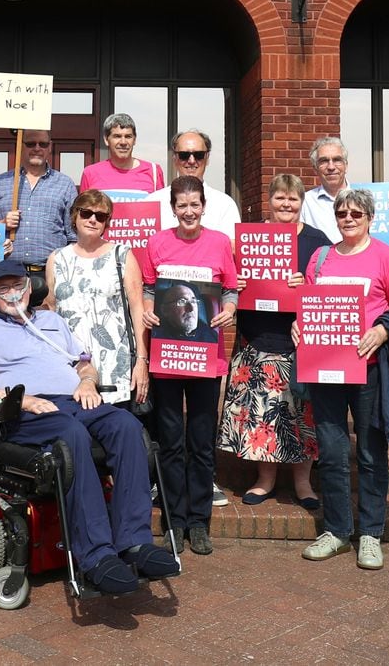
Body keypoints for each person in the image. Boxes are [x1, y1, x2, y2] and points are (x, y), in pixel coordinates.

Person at [0, 259, 180, 595]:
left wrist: (89, 382)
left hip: (74, 402)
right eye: (1, 288)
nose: (11, 293)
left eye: (16, 285)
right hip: (22, 412)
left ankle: (135, 543)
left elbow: (84, 364)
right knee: (70, 433)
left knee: (126, 425)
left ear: (29, 287)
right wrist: (25, 401)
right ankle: (95, 556)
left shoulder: (51, 321)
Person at [297, 187, 389, 571]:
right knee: (331, 453)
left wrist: (382, 331)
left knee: (369, 452)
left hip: (369, 369)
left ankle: (370, 534)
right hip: (326, 370)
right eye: (342, 213)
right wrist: (299, 326)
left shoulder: (387, 257)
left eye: (356, 214)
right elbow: (309, 305)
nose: (348, 219)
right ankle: (335, 530)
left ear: (369, 218)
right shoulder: (320, 257)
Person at [217, 174, 330, 509]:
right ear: (270, 200)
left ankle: (303, 484)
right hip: (257, 336)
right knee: (262, 415)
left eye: (293, 198)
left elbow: (328, 289)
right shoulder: (250, 239)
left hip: (299, 340)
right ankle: (264, 480)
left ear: (301, 202)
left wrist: (305, 286)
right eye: (280, 197)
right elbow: (227, 279)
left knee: (302, 414)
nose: (286, 204)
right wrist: (236, 282)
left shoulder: (317, 241)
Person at [139, 175, 238, 555]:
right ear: (173, 207)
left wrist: (228, 309)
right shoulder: (158, 242)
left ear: (203, 206)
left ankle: (199, 521)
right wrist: (148, 311)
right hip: (167, 357)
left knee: (200, 441)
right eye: (182, 205)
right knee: (170, 443)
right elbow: (149, 288)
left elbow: (228, 288)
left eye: (194, 204)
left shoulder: (218, 243)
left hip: (206, 357)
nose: (189, 211)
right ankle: (173, 520)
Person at [45, 190, 148, 408]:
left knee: (117, 431)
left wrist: (141, 360)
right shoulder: (57, 259)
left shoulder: (122, 256)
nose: (93, 219)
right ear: (75, 216)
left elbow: (137, 311)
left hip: (115, 366)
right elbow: (50, 311)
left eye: (101, 216)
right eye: (86, 213)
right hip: (71, 364)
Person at [0, 129, 77, 274]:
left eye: (43, 144)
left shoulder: (65, 184)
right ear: (20, 145)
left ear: (50, 147)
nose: (37, 148)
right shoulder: (0, 183)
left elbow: (74, 236)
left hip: (51, 273)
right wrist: (2, 224)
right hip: (8, 274)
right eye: (31, 143)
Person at [300, 136, 389, 243]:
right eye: (324, 161)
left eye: (337, 160)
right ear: (315, 169)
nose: (331, 167)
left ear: (346, 165)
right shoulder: (304, 203)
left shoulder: (374, 199)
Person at [144, 129, 240, 241]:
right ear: (174, 158)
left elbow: (231, 249)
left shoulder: (225, 205)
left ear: (207, 157)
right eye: (184, 155)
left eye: (198, 155)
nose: (191, 161)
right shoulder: (152, 202)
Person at [78, 113, 165, 201]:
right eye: (117, 136)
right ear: (106, 140)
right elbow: (83, 212)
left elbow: (161, 210)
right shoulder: (90, 173)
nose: (123, 142)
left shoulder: (153, 171)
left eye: (128, 136)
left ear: (134, 140)